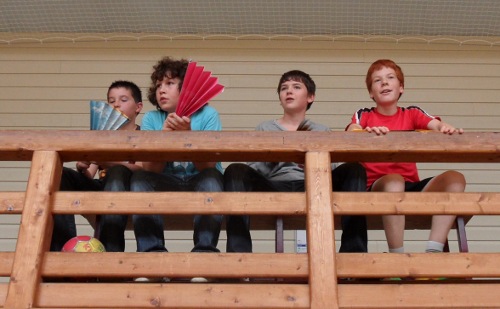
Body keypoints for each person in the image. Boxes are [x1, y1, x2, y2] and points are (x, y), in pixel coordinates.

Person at [223, 70, 368, 254]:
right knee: (235, 170)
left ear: (310, 97)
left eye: (296, 87)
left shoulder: (322, 131)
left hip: (313, 186)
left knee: (354, 170)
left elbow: (332, 170)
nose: (289, 91)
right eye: (284, 88)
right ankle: (239, 254)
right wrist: (276, 157)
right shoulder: (265, 128)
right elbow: (253, 170)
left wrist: (311, 164)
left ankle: (353, 252)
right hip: (274, 185)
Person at [346, 59, 466, 254]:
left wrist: (445, 128)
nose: (384, 83)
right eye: (377, 80)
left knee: (455, 179)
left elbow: (435, 125)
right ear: (371, 93)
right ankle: (397, 256)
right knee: (394, 181)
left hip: (410, 186)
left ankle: (434, 251)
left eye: (390, 78)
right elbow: (352, 130)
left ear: (401, 87)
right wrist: (366, 131)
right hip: (377, 188)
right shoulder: (365, 114)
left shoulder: (411, 113)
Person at [127, 56, 224, 282]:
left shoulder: (209, 115)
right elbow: (151, 169)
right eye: (159, 85)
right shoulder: (152, 118)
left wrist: (188, 137)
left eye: (169, 84)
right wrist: (165, 139)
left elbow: (209, 166)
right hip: (166, 182)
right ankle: (152, 260)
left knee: (212, 178)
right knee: (140, 179)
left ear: (188, 88)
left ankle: (203, 258)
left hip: (200, 179)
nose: (162, 90)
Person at [51, 80, 144, 252]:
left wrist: (107, 162)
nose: (116, 104)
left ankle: (111, 251)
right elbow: (90, 174)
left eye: (123, 100)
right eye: (111, 100)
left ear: (138, 107)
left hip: (127, 188)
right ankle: (61, 249)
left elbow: (142, 169)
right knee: (62, 174)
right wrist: (83, 167)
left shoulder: (143, 133)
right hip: (101, 186)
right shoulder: (104, 133)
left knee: (116, 172)